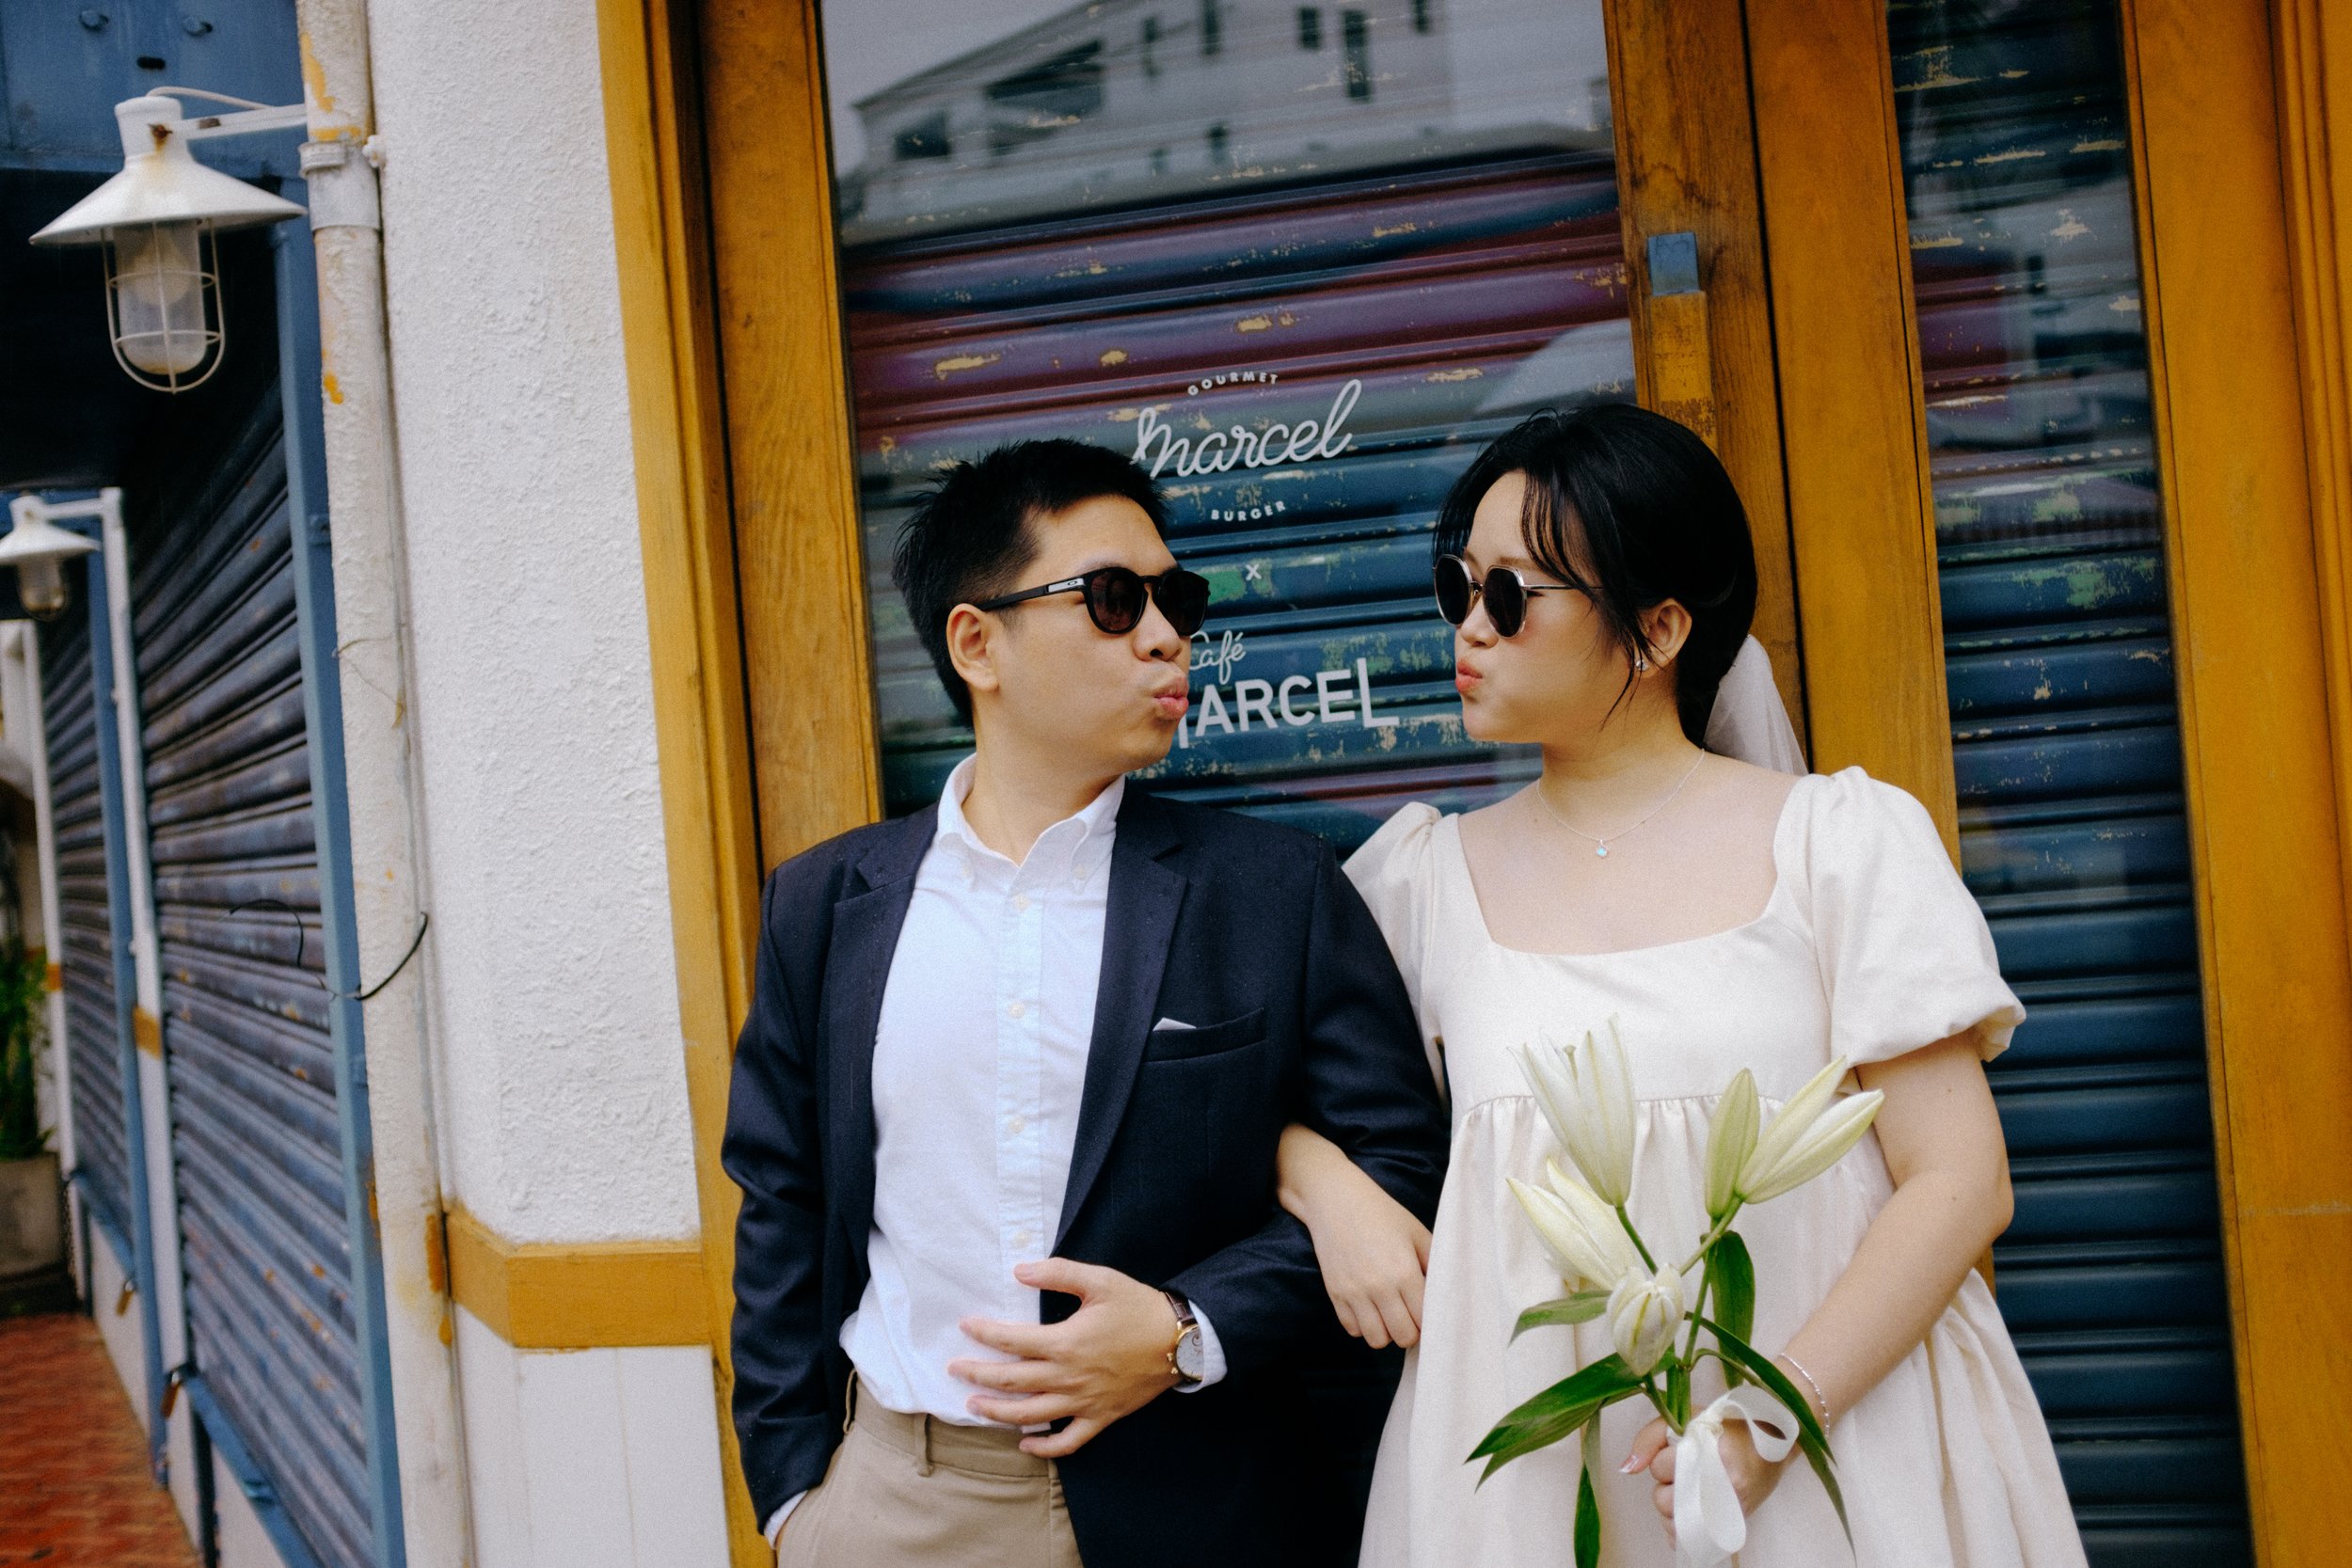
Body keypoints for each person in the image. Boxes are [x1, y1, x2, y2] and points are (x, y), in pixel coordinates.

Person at [1277, 404, 2087, 1566]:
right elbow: (1247, 1095)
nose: (1469, 626)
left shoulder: (1838, 843)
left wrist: (1768, 1416)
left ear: (1656, 628)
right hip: (1543, 1471)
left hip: (1833, 1432)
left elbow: (1960, 1179)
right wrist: (1326, 1188)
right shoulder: (1418, 880)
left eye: (1509, 595)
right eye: (1458, 584)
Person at [722, 439, 1451, 1568]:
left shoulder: (1273, 890)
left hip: (1201, 1499)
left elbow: (1400, 1164)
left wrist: (1187, 1325)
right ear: (977, 643)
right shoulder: (825, 905)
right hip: (901, 1498)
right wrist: (791, 1499)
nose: (1164, 635)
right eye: (1113, 599)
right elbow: (782, 1198)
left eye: (1176, 600)